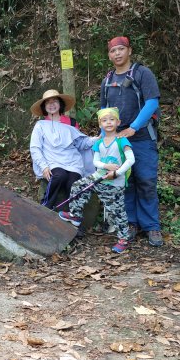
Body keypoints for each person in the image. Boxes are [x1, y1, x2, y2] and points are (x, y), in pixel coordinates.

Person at [101, 36, 162, 246]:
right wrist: (103, 141)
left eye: (121, 49)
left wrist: (133, 127)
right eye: (113, 51)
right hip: (117, 141)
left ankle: (151, 226)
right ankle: (130, 224)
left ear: (129, 50)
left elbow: (152, 102)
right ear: (109, 55)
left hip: (143, 136)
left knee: (146, 180)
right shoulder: (108, 80)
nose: (117, 54)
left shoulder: (142, 73)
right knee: (125, 182)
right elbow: (104, 113)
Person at [58, 108, 135, 252]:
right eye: (104, 120)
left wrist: (117, 172)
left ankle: (123, 239)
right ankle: (75, 215)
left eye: (112, 120)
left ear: (118, 122)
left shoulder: (121, 141)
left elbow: (131, 160)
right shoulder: (99, 142)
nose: (108, 123)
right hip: (98, 177)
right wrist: (106, 166)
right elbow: (96, 161)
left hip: (114, 183)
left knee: (116, 211)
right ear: (100, 125)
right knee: (78, 186)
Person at [29, 89, 98, 214]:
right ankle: (45, 208)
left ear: (60, 104)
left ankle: (74, 216)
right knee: (59, 176)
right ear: (44, 107)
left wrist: (96, 140)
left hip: (73, 161)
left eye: (54, 101)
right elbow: (35, 147)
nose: (51, 104)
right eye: (48, 102)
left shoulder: (71, 123)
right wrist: (43, 166)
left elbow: (80, 143)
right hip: (52, 160)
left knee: (74, 183)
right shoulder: (40, 125)